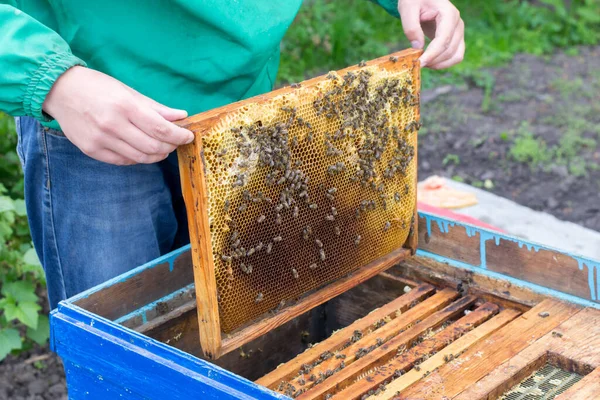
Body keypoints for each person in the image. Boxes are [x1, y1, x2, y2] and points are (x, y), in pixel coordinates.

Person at [0, 0, 464, 309]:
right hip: (92, 114)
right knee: (122, 351)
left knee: (252, 323)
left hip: (240, 112)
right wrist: (50, 79)